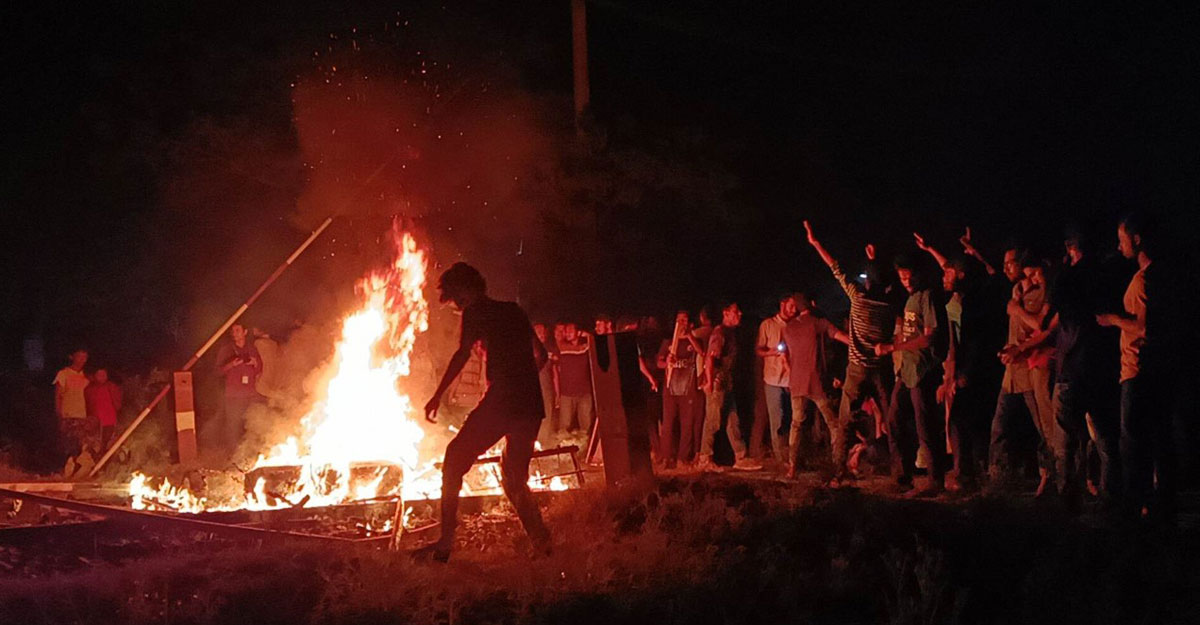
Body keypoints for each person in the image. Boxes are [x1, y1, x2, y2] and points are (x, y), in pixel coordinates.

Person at [421, 263, 551, 562]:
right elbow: (541, 356)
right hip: (531, 403)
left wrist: (437, 396)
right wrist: (522, 379)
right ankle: (542, 544)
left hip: (504, 400)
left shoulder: (476, 311)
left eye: (456, 299)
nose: (456, 305)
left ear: (466, 291)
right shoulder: (514, 311)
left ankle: (444, 546)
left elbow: (461, 353)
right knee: (515, 479)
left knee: (454, 460)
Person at [1011, 229, 1122, 512]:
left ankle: (1067, 502)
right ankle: (1113, 503)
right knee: (1107, 440)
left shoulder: (1067, 277)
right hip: (1104, 367)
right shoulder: (1110, 275)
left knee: (1066, 442)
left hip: (1072, 367)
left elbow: (1046, 320)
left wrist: (1018, 306)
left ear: (1072, 249)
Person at [804, 221, 896, 482]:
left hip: (857, 369)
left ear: (867, 283)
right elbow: (883, 282)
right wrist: (876, 261)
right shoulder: (888, 304)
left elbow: (835, 268)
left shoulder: (858, 298)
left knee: (845, 422)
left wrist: (816, 243)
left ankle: (838, 472)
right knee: (891, 419)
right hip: (880, 368)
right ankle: (900, 471)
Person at [1098, 214, 1175, 520]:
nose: (1119, 247)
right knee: (1156, 437)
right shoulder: (1157, 277)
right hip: (1148, 370)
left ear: (1137, 239)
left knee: (1134, 440)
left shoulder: (1145, 280)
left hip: (1138, 370)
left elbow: (1144, 326)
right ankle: (1158, 504)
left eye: (1122, 239)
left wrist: (1113, 319)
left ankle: (1135, 506)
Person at [875, 256, 949, 495]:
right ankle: (900, 477)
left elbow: (929, 337)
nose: (906, 281)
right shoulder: (910, 298)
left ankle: (935, 480)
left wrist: (893, 349)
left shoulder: (927, 297)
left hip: (923, 370)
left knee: (925, 424)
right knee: (894, 417)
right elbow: (909, 334)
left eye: (909, 276)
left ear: (919, 274)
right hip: (906, 371)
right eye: (902, 277)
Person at [987, 249, 1055, 492]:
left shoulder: (1044, 292)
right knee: (999, 424)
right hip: (1012, 371)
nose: (1006, 268)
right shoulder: (1015, 292)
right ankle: (998, 478)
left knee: (1044, 427)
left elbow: (1042, 328)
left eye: (1011, 264)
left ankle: (1051, 477)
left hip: (1032, 368)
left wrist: (1017, 311)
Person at [782, 292, 851, 479]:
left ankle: (792, 466)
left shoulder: (788, 328)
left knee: (796, 424)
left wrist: (790, 369)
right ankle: (838, 465)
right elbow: (841, 336)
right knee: (833, 424)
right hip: (816, 382)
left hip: (796, 382)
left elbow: (784, 352)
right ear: (810, 304)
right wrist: (861, 345)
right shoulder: (818, 323)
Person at [698, 302, 761, 471]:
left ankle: (741, 456)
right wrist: (710, 383)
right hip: (718, 383)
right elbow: (710, 359)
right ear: (726, 313)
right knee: (712, 420)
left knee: (733, 420)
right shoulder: (719, 333)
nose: (739, 313)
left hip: (726, 382)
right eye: (735, 311)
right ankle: (704, 458)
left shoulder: (730, 333)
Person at [755, 294, 797, 466]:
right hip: (773, 379)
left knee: (792, 419)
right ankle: (781, 460)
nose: (794, 310)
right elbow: (759, 349)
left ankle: (792, 455)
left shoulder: (796, 325)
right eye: (791, 306)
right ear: (782, 304)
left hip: (792, 379)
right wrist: (771, 352)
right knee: (777, 420)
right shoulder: (768, 325)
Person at [658, 311, 703, 468]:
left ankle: (682, 458)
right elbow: (659, 362)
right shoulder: (669, 342)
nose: (681, 322)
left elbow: (701, 352)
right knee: (668, 423)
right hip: (670, 387)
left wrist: (689, 336)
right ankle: (665, 457)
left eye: (684, 320)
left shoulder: (694, 341)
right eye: (679, 320)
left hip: (688, 386)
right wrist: (667, 362)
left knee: (687, 423)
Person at [214, 324, 263, 453]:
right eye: (232, 331)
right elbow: (218, 371)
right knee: (233, 426)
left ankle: (253, 453)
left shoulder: (252, 349)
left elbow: (260, 369)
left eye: (237, 330)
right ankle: (234, 455)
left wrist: (255, 363)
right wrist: (231, 364)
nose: (234, 333)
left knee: (254, 423)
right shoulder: (226, 350)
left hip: (250, 393)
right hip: (234, 395)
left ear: (245, 332)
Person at [54, 348, 92, 475]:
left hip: (82, 415)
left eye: (84, 357)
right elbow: (58, 395)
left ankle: (77, 473)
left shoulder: (85, 377)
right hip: (68, 415)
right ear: (72, 357)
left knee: (81, 446)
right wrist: (60, 415)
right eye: (79, 356)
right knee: (68, 446)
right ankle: (64, 472)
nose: (82, 360)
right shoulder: (63, 374)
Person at [556, 323, 594, 437]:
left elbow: (596, 342)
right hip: (567, 393)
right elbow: (559, 339)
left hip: (584, 392)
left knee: (586, 426)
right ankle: (563, 451)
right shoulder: (562, 347)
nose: (567, 333)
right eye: (566, 331)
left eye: (571, 331)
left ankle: (584, 449)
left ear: (578, 333)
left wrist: (586, 334)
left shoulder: (586, 348)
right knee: (564, 427)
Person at [85, 367, 123, 452]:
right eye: (99, 375)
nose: (102, 377)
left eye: (104, 374)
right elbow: (88, 404)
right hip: (96, 421)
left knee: (108, 445)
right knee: (95, 446)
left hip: (110, 420)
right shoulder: (89, 389)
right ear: (94, 376)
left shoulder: (112, 386)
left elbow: (118, 403)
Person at [533, 323, 559, 440]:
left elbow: (555, 373)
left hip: (547, 388)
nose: (542, 334)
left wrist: (557, 391)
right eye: (539, 332)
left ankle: (545, 440)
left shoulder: (550, 350)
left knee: (548, 414)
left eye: (543, 332)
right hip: (533, 389)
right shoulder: (528, 350)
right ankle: (535, 438)